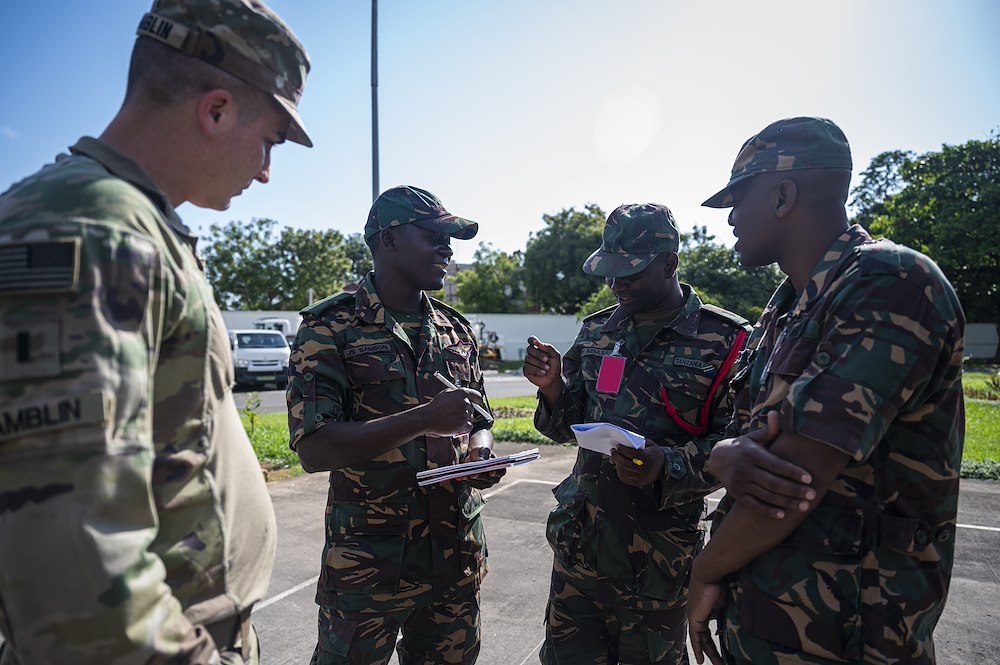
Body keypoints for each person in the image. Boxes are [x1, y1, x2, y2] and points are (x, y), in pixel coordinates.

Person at [0, 1, 312, 662]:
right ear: (216, 110)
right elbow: (75, 563)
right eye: (269, 141)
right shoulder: (94, 230)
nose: (265, 170)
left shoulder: (130, 224)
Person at [687, 117, 965, 665]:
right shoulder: (787, 307)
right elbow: (749, 445)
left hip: (853, 639)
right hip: (767, 624)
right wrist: (723, 455)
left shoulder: (891, 282)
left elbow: (793, 479)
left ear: (783, 195)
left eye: (738, 200)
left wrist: (704, 571)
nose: (731, 218)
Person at [522, 203, 753, 665]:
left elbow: (740, 447)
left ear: (670, 263)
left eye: (631, 272)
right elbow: (569, 424)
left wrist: (666, 465)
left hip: (658, 565)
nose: (617, 284)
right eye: (611, 272)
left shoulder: (727, 340)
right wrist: (551, 388)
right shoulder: (598, 331)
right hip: (580, 552)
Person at [287, 185, 505, 665]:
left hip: (454, 556)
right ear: (388, 239)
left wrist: (480, 451)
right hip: (369, 565)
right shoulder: (329, 327)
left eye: (449, 240)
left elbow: (480, 419)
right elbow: (315, 448)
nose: (447, 249)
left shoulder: (455, 328)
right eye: (433, 237)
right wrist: (425, 418)